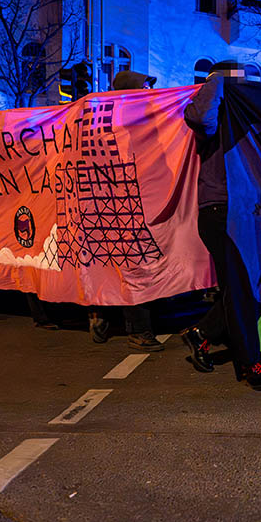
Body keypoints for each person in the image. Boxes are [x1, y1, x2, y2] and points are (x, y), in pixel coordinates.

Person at [179, 60, 261, 391]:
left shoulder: (245, 120)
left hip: (246, 212)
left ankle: (203, 334)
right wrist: (218, 81)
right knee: (240, 287)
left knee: (248, 285)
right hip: (221, 210)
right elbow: (199, 115)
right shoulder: (215, 121)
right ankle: (250, 363)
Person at [85, 69, 165, 352]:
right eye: (144, 86)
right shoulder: (125, 120)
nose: (150, 91)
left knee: (114, 262)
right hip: (120, 200)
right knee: (135, 264)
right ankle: (138, 329)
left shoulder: (105, 117)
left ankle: (101, 313)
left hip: (118, 199)